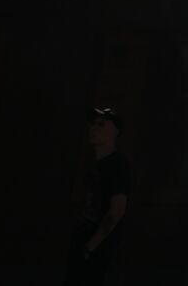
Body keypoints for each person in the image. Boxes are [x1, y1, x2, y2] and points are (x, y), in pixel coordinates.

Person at [63, 108, 130, 285]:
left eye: (101, 124)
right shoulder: (95, 165)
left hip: (97, 251)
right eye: (93, 124)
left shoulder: (117, 165)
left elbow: (117, 210)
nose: (94, 128)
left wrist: (90, 247)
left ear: (115, 132)